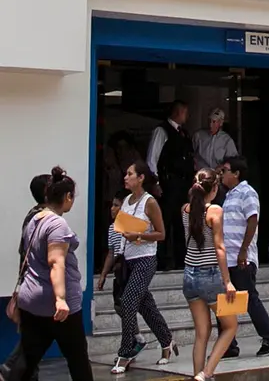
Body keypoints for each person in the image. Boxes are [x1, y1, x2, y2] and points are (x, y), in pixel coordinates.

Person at [16, 168, 93, 380]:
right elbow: (56, 262)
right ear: (67, 196)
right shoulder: (57, 224)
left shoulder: (35, 219)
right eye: (72, 196)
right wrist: (60, 299)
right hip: (58, 305)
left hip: (32, 300)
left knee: (26, 362)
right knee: (78, 360)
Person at [112, 160, 177, 375]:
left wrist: (139, 235)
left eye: (130, 174)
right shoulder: (126, 201)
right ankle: (167, 341)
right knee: (146, 306)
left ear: (141, 178)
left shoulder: (150, 202)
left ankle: (126, 351)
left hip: (145, 259)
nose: (126, 177)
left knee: (128, 302)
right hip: (128, 259)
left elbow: (161, 234)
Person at [218, 156, 269, 357]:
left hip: (241, 257)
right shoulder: (229, 195)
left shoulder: (247, 192)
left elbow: (252, 220)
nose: (222, 174)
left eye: (225, 170)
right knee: (225, 301)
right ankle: (228, 345)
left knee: (249, 298)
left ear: (236, 173)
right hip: (228, 258)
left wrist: (244, 250)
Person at [183, 169, 239, 381]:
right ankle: (206, 374)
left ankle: (197, 375)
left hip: (189, 274)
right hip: (210, 275)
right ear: (214, 188)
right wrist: (228, 281)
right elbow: (219, 248)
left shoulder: (185, 210)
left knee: (201, 333)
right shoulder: (215, 211)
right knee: (231, 326)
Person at [0, 173, 50, 381]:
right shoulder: (43, 217)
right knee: (36, 334)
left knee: (35, 333)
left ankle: (20, 371)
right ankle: (10, 367)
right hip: (38, 283)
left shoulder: (34, 214)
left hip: (31, 281)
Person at [147, 100, 195, 270]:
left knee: (182, 222)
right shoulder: (162, 131)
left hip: (183, 185)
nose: (187, 116)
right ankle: (162, 261)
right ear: (177, 112)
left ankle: (181, 260)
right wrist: (156, 182)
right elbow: (152, 159)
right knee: (164, 221)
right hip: (168, 184)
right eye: (185, 112)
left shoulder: (184, 133)